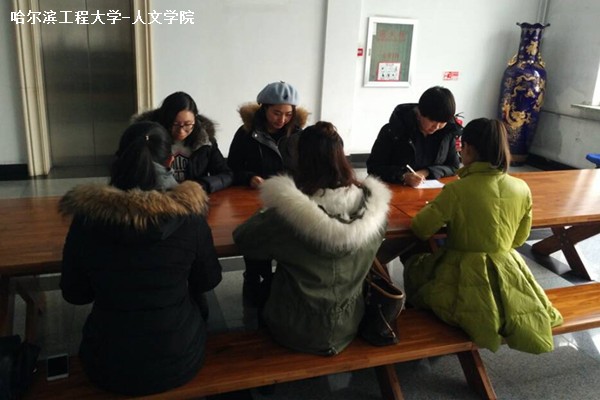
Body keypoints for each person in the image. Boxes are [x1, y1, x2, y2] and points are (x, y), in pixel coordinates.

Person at [59, 121, 222, 396]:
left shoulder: (86, 220)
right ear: (170, 161)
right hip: (179, 358)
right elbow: (208, 280)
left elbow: (75, 294)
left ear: (118, 159)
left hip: (106, 362)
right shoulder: (190, 218)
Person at [402, 118, 563, 354]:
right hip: (509, 267)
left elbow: (421, 229)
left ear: (468, 148)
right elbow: (520, 238)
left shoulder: (457, 190)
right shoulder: (521, 188)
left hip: (462, 271)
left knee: (415, 265)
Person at [233, 121, 391, 355]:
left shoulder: (287, 215)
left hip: (293, 325)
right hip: (349, 321)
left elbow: (243, 239)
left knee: (259, 279)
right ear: (342, 158)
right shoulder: (373, 210)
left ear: (299, 161)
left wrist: (272, 207)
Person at [227, 81, 309, 305]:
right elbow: (231, 168)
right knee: (257, 245)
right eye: (276, 113)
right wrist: (249, 177)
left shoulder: (299, 135)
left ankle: (283, 283)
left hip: (289, 199)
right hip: (255, 199)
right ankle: (253, 280)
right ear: (264, 108)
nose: (282, 120)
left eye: (288, 114)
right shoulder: (246, 134)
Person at [134, 91, 233, 193]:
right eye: (175, 124)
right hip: (157, 198)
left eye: (188, 124)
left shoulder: (205, 142)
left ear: (195, 120)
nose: (181, 131)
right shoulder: (147, 139)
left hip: (192, 198)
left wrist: (202, 185)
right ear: (165, 119)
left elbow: (226, 175)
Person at [367, 86, 462, 188]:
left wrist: (427, 172)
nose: (437, 126)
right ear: (419, 113)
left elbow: (454, 167)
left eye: (442, 122)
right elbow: (374, 167)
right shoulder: (394, 130)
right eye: (432, 121)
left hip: (432, 191)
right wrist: (403, 176)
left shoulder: (446, 133)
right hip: (394, 190)